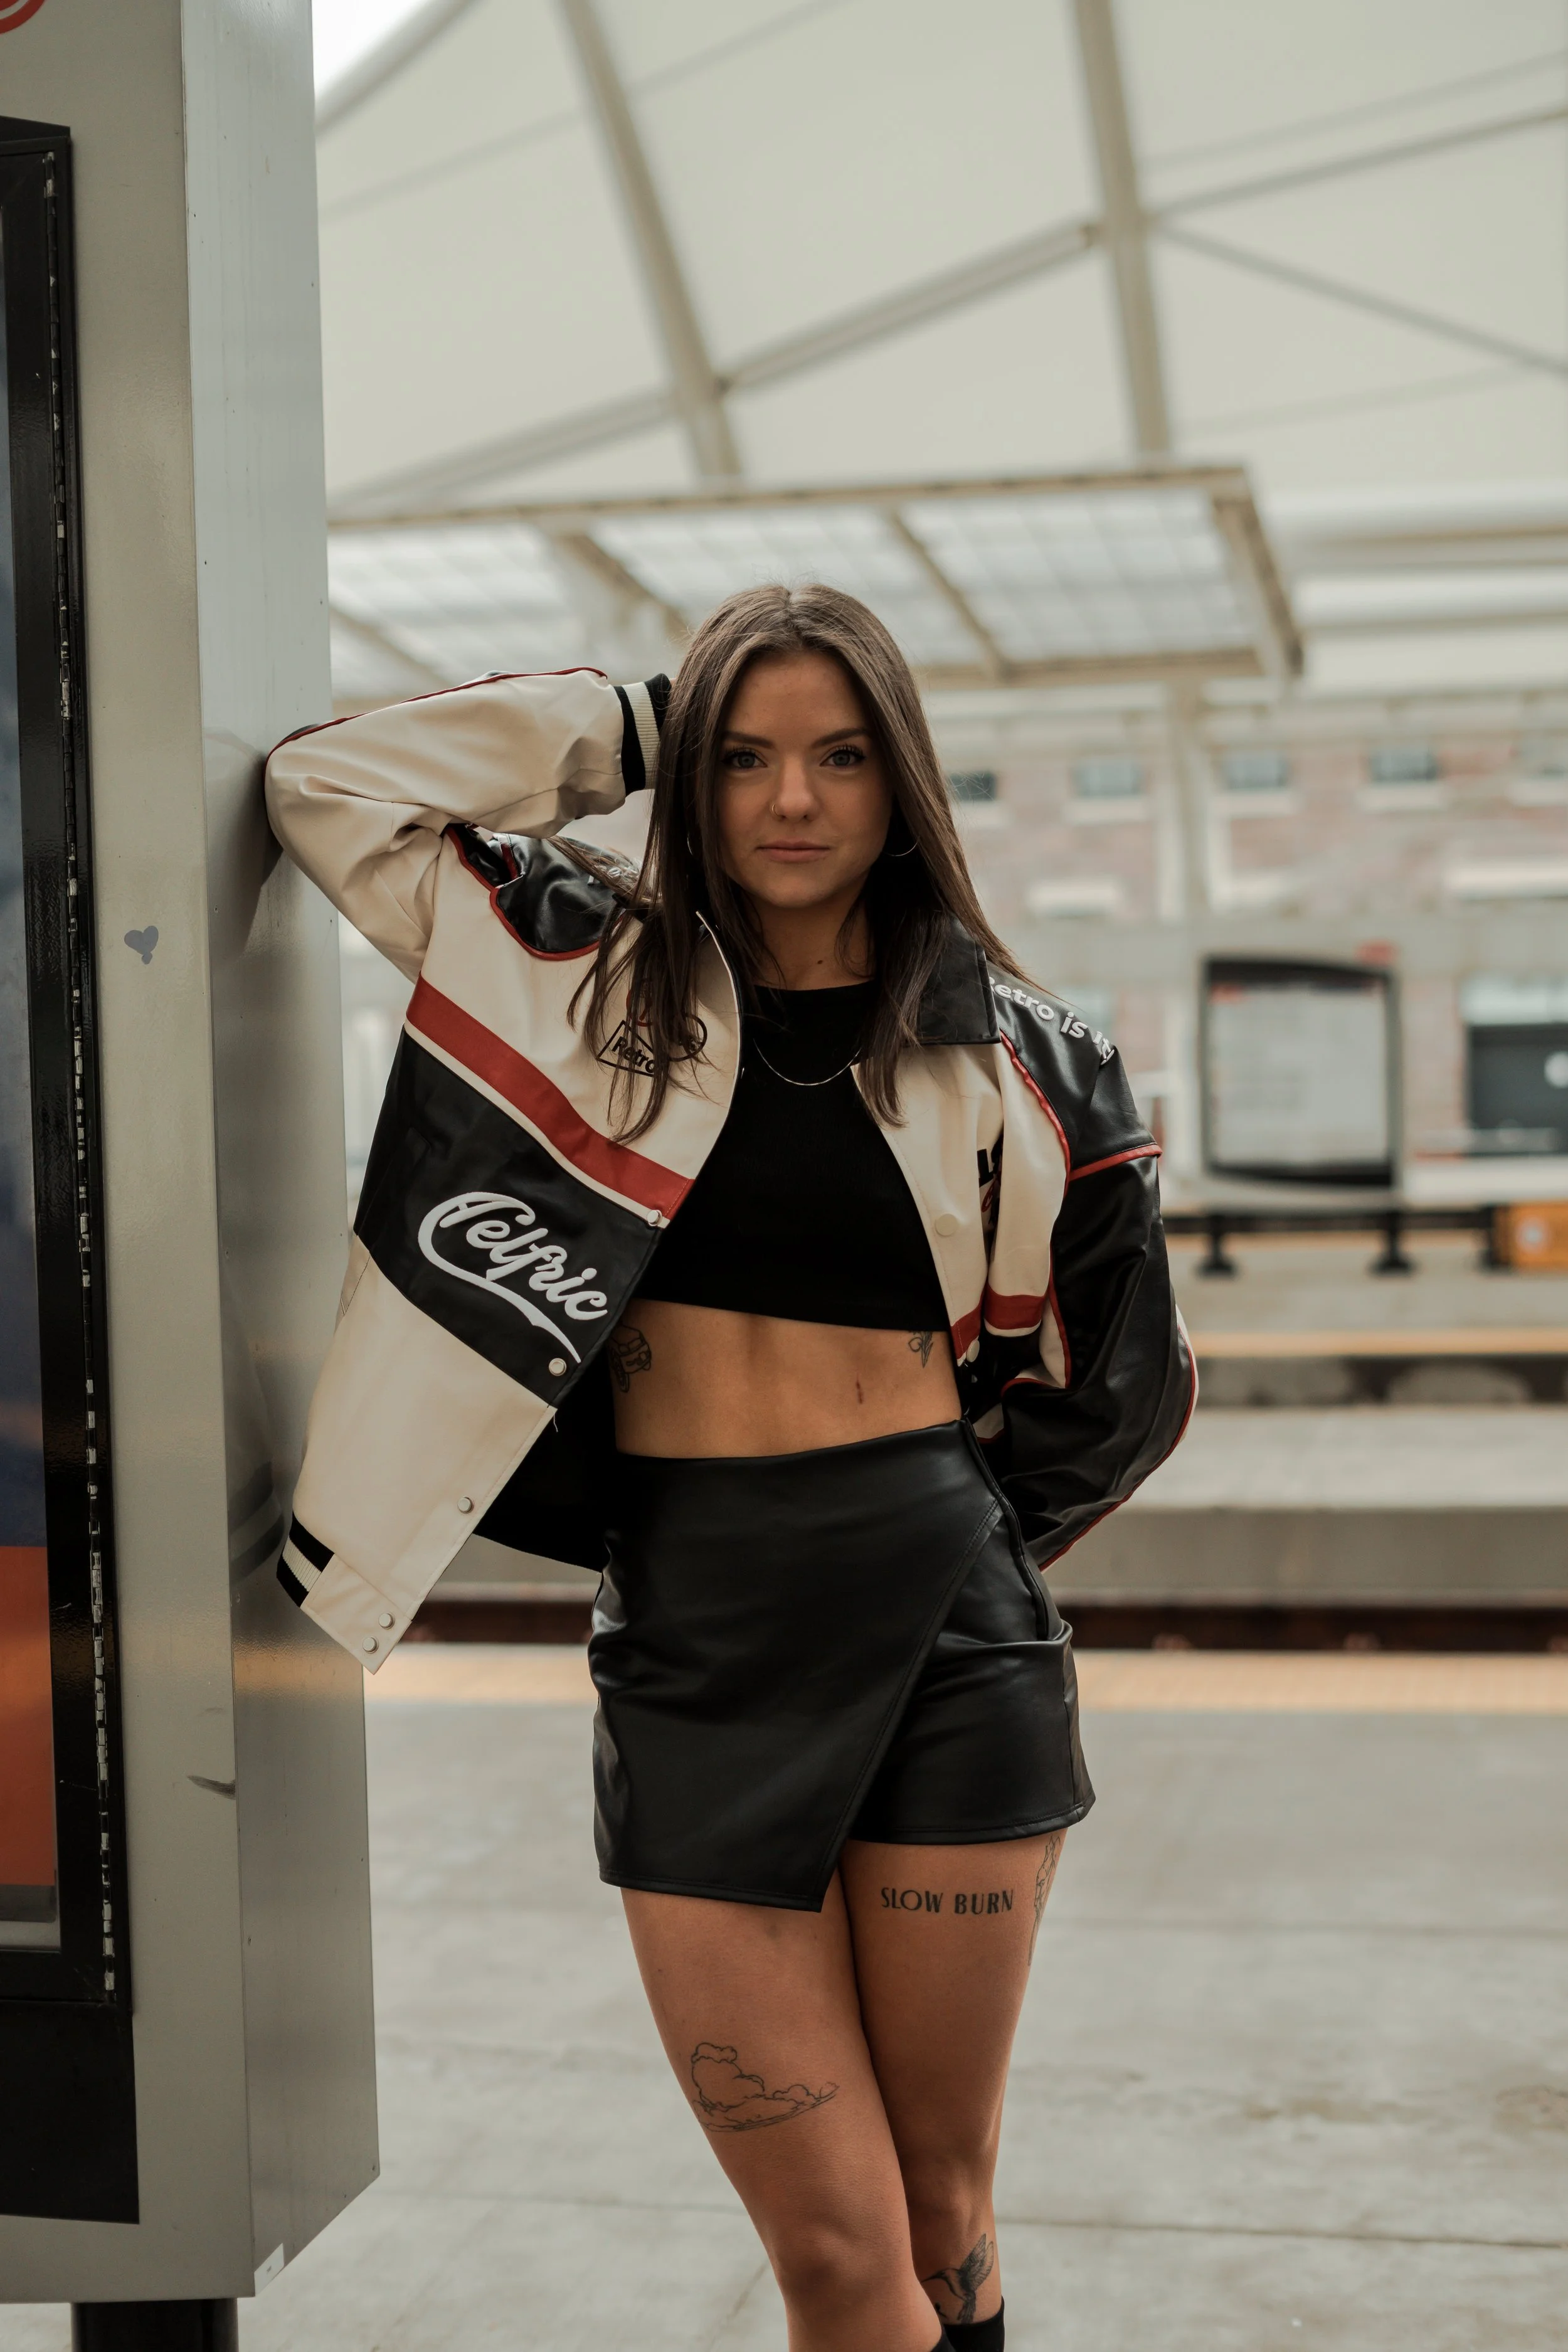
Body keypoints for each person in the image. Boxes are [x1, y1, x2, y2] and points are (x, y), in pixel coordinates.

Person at [265, 583, 1194, 2352]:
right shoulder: (567, 972)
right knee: (833, 2250)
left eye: (839, 755)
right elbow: (328, 787)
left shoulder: (1023, 1056)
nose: (789, 799)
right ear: (689, 778)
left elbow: (1117, 1387)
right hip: (697, 1625)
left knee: (938, 2217)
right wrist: (636, 715)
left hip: (946, 1624)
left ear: (898, 779)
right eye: (743, 756)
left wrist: (967, 1550)